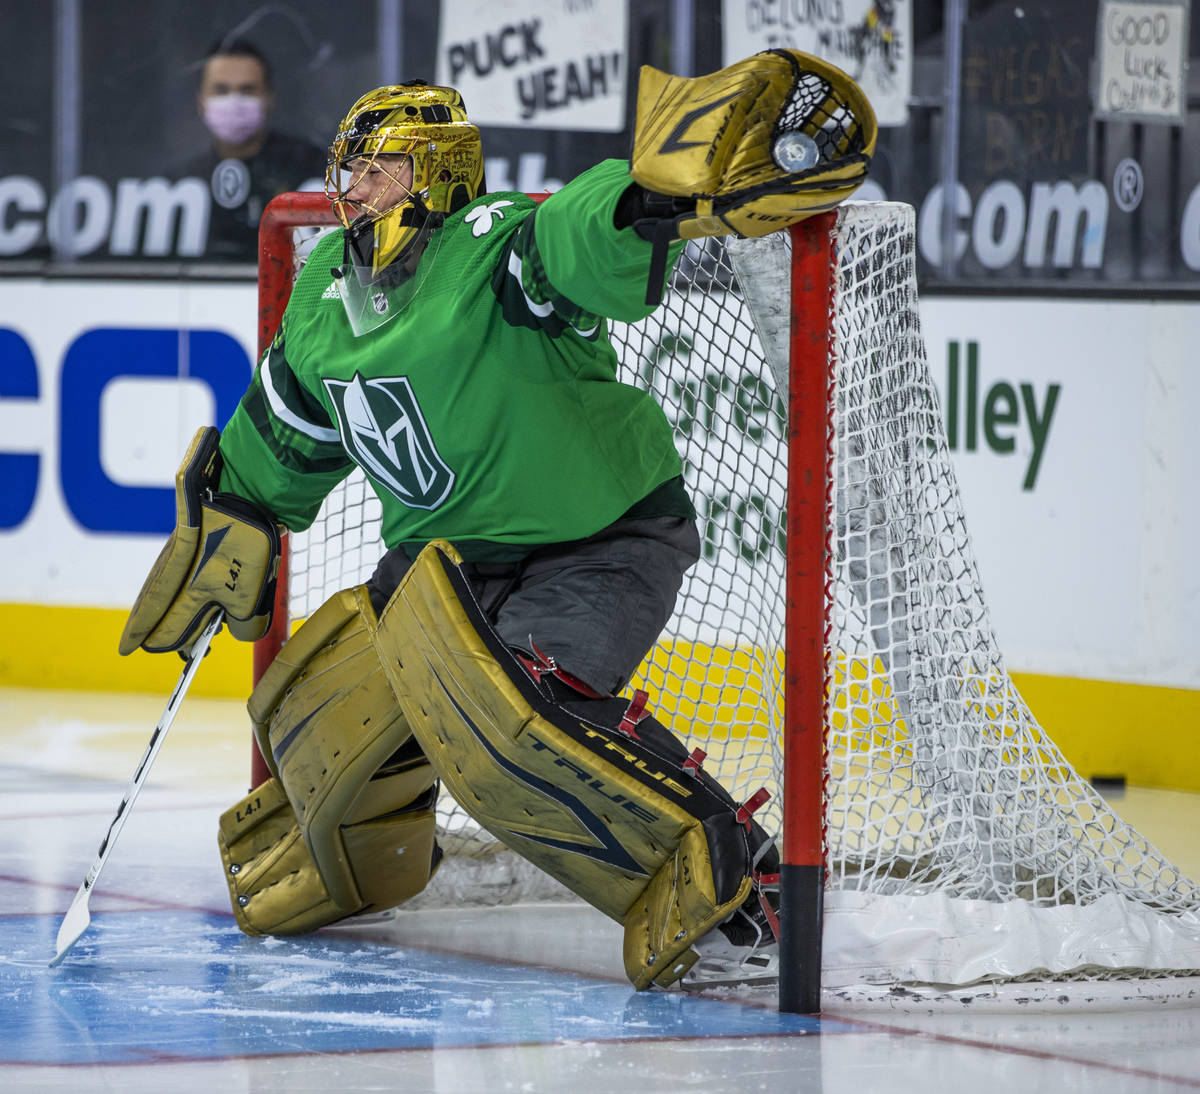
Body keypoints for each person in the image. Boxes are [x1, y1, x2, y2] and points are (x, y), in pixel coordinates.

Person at [122, 51, 876, 989]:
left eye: (381, 168)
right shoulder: (323, 294)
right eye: (347, 169)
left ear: (437, 171)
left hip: (595, 541)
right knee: (316, 720)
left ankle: (743, 879)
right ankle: (351, 863)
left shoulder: (494, 243)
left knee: (514, 714)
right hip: (445, 568)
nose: (355, 189)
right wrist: (230, 508)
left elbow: (575, 236)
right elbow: (288, 430)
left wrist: (646, 198)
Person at [179, 38, 326, 262]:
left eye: (247, 90)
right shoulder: (182, 182)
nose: (234, 101)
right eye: (221, 90)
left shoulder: (313, 169)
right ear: (201, 102)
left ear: (268, 99)